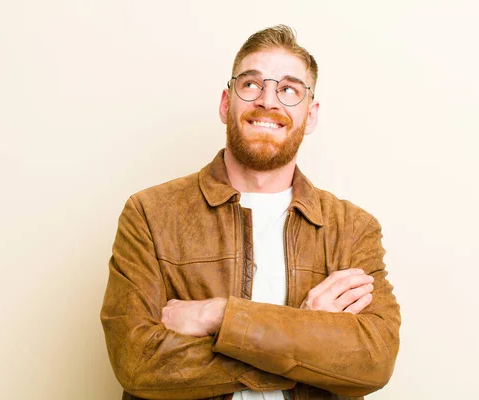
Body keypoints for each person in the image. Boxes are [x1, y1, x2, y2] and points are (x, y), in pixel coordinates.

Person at [101, 25, 400, 400]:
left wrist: (219, 315)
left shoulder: (352, 228)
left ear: (310, 115)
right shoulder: (149, 214)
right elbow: (137, 361)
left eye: (289, 89)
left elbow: (374, 361)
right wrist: (309, 337)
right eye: (251, 85)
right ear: (227, 103)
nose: (268, 101)